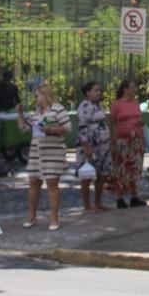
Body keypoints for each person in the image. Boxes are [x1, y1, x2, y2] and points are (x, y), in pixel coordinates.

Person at [24, 81, 70, 229]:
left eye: (37, 95)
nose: (35, 99)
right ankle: (31, 216)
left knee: (52, 184)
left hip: (53, 152)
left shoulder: (58, 109)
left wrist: (50, 129)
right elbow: (25, 128)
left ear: (45, 95)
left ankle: (54, 217)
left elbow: (67, 127)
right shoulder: (37, 113)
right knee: (33, 183)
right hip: (36, 151)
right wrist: (20, 114)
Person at [106, 77, 148, 208]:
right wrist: (112, 139)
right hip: (122, 140)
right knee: (122, 168)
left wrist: (141, 122)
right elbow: (111, 122)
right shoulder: (117, 104)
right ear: (125, 89)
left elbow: (139, 117)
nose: (135, 89)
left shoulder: (135, 102)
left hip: (137, 140)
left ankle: (135, 196)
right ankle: (119, 198)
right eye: (132, 87)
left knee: (136, 168)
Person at [75, 81, 112, 214]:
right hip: (90, 147)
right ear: (88, 93)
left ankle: (98, 203)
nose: (99, 92)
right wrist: (86, 147)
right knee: (87, 175)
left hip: (103, 148)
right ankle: (87, 205)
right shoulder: (84, 106)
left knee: (102, 175)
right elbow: (83, 128)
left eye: (99, 90)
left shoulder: (97, 106)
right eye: (95, 90)